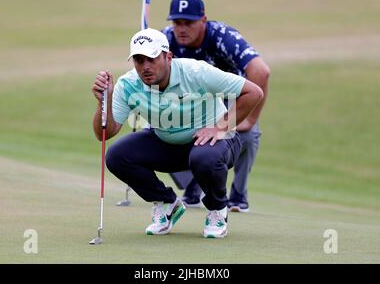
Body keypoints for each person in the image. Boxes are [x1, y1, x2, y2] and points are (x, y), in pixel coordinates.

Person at [91, 28, 263, 238]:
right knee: (117, 156)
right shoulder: (129, 84)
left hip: (216, 143)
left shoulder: (196, 72)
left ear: (168, 57)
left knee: (204, 158)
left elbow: (253, 92)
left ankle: (217, 209)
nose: (145, 67)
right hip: (168, 144)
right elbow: (105, 133)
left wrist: (220, 127)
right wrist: (104, 102)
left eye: (152, 59)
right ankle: (167, 203)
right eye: (139, 60)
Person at [162, 0, 270, 212]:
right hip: (192, 100)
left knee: (246, 134)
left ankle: (238, 195)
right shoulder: (166, 40)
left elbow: (261, 71)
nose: (181, 28)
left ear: (203, 20)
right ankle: (194, 186)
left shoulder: (222, 36)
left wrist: (249, 119)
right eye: (177, 22)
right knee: (159, 126)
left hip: (229, 93)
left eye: (188, 22)